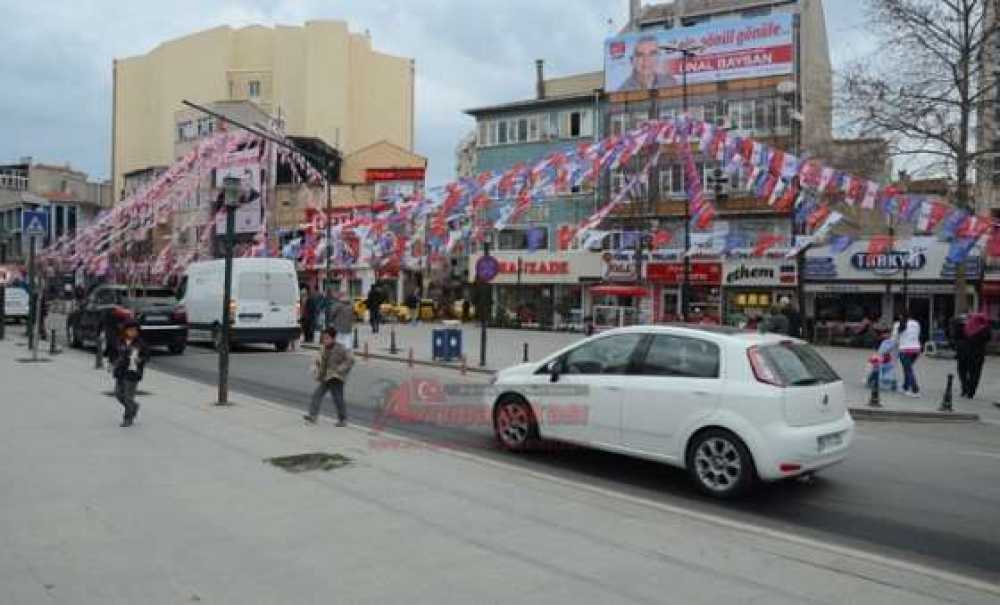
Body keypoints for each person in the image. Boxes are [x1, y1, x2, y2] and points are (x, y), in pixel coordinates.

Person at [304, 327, 354, 426]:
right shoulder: (323, 348)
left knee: (338, 399)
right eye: (323, 338)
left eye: (327, 338)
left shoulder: (341, 348)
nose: (325, 340)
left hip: (336, 378)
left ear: (333, 338)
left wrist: (340, 369)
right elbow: (319, 360)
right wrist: (315, 367)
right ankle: (312, 416)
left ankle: (343, 420)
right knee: (317, 394)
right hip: (326, 377)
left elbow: (350, 360)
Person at [111, 319, 148, 428]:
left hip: (132, 373)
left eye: (134, 330)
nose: (132, 332)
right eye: (130, 330)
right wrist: (113, 362)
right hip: (120, 372)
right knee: (118, 394)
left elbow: (147, 356)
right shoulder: (120, 341)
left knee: (128, 397)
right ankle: (134, 406)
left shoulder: (141, 343)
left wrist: (140, 360)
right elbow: (114, 353)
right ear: (125, 331)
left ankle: (128, 418)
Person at [954, 313, 992, 399]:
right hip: (978, 355)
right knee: (975, 374)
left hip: (963, 354)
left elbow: (956, 337)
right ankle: (971, 392)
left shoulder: (964, 326)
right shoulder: (985, 329)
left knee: (962, 372)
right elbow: (988, 338)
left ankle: (965, 388)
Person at [895, 313, 922, 398]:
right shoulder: (916, 323)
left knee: (908, 370)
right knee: (908, 368)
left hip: (904, 350)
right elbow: (918, 334)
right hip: (916, 350)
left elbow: (895, 338)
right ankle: (905, 387)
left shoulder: (898, 325)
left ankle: (915, 389)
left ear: (901, 317)